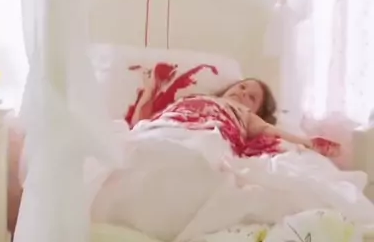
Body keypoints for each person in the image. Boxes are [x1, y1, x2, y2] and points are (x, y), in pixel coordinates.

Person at [131, 75, 340, 157]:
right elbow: (140, 123)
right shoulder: (193, 99)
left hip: (207, 137)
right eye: (242, 87)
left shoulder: (243, 114)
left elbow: (269, 130)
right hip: (166, 127)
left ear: (256, 112)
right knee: (140, 144)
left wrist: (309, 143)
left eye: (251, 97)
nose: (242, 93)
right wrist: (149, 92)